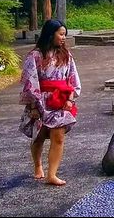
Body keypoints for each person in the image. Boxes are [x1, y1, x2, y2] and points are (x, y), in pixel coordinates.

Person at [19, 19, 81, 186]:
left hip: (60, 100)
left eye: (64, 35)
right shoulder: (35, 56)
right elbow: (29, 80)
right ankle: (38, 165)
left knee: (58, 136)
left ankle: (52, 175)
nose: (63, 38)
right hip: (40, 101)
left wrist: (70, 98)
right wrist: (33, 105)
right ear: (50, 34)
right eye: (60, 34)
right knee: (38, 137)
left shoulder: (66, 55)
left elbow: (73, 78)